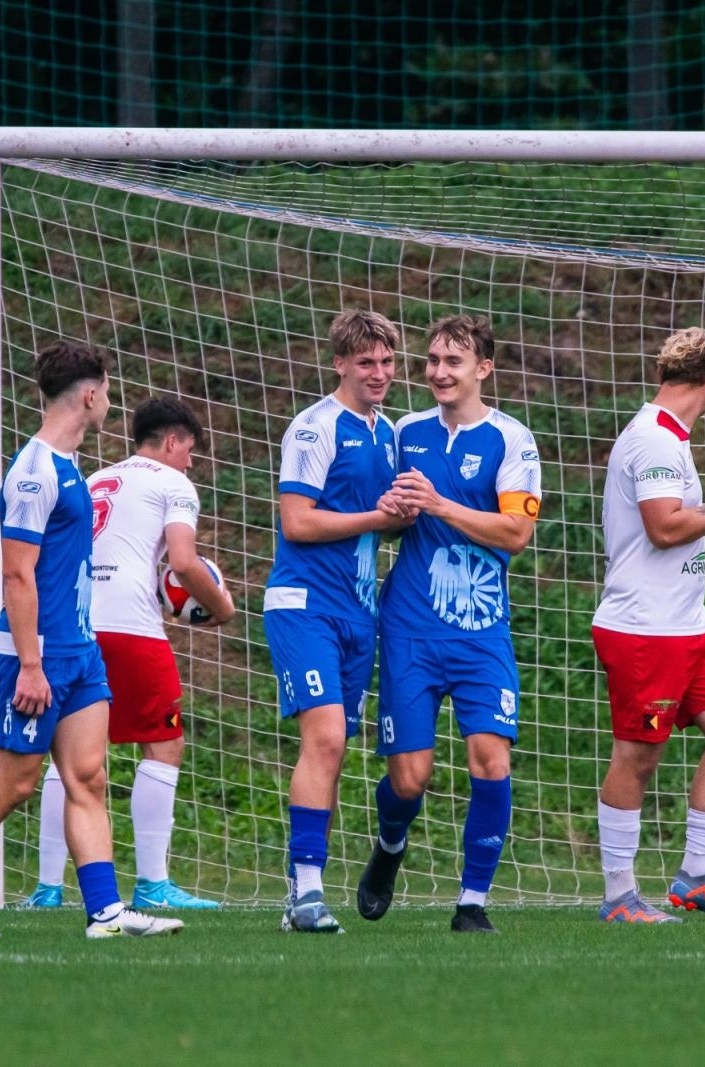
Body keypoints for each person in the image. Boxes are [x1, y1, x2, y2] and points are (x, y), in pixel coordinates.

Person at [0, 341, 182, 939]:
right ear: (89, 396)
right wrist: (31, 665)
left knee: (88, 776)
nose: (109, 402)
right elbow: (17, 574)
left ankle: (105, 913)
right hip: (34, 657)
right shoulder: (34, 473)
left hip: (80, 653)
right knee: (15, 784)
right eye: (107, 391)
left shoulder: (68, 467)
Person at [355, 315, 541, 935]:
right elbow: (386, 521)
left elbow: (516, 533)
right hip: (409, 628)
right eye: (432, 360)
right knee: (410, 780)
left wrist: (438, 504)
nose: (438, 372)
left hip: (481, 631)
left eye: (453, 362)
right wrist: (395, 512)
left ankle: (471, 902)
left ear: (482, 369)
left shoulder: (511, 440)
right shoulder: (404, 432)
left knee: (491, 761)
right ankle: (390, 844)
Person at [25, 396, 235, 911]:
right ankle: (153, 884)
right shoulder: (173, 484)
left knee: (68, 754)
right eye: (189, 450)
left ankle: (48, 888)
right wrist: (222, 607)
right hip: (132, 629)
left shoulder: (94, 478)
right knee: (163, 745)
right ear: (171, 441)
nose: (191, 462)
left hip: (74, 625)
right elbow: (183, 564)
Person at [591, 326, 705, 924]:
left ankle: (696, 878)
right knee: (638, 755)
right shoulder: (655, 441)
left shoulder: (669, 436)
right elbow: (664, 527)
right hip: (646, 626)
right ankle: (619, 896)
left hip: (688, 624)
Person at [265, 309, 411, 934]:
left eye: (387, 361)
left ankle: (300, 894)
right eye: (366, 362)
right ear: (340, 363)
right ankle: (307, 892)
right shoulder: (314, 427)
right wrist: (380, 519)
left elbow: (383, 521)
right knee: (324, 739)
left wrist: (403, 516)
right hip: (304, 606)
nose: (379, 373)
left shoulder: (389, 432)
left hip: (358, 611)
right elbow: (297, 521)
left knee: (335, 749)